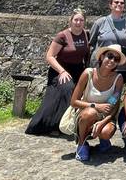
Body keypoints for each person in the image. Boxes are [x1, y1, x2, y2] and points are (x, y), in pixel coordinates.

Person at [24, 8, 90, 136]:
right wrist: (62, 71)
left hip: (78, 69)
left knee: (83, 92)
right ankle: (54, 125)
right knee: (68, 89)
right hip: (60, 69)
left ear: (84, 22)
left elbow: (87, 55)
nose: (78, 22)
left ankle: (74, 123)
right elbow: (49, 56)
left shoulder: (86, 34)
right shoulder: (63, 36)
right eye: (76, 20)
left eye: (81, 20)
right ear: (70, 21)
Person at [69, 45, 126, 162]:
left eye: (116, 59)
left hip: (105, 116)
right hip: (85, 113)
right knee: (90, 113)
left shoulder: (118, 79)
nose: (112, 61)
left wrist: (103, 122)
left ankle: (103, 139)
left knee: (106, 132)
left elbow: (114, 106)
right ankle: (82, 144)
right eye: (110, 56)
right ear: (101, 57)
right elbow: (74, 102)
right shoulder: (88, 73)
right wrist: (96, 106)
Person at [88, 0, 126, 82]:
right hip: (101, 65)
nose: (119, 4)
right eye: (116, 2)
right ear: (110, 5)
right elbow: (91, 44)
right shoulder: (100, 22)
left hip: (121, 67)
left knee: (116, 94)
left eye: (122, 3)